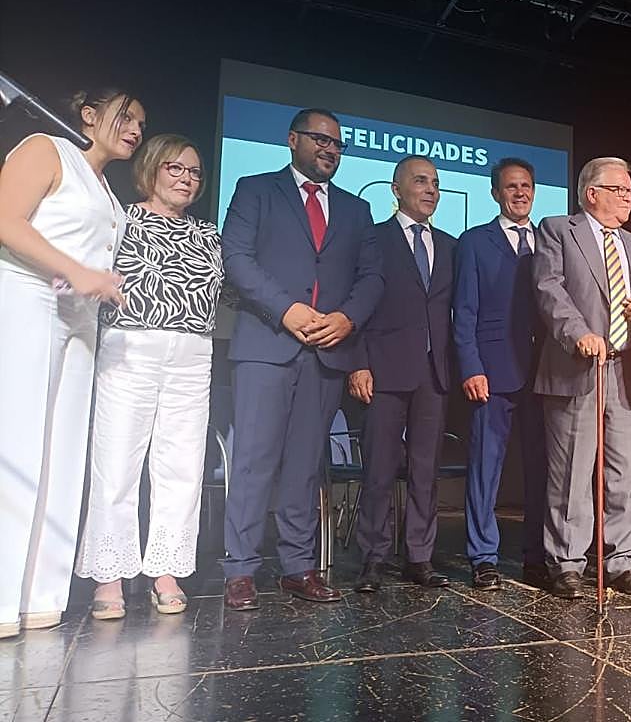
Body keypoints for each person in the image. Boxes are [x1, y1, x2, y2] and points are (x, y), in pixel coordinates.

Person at [221, 107, 383, 611]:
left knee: (305, 467)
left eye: (338, 143)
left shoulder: (357, 210)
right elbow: (236, 258)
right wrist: (286, 310)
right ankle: (241, 570)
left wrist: (347, 319)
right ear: (293, 140)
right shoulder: (255, 189)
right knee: (253, 462)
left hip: (326, 353)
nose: (330, 149)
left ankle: (298, 568)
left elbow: (373, 277)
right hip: (267, 345)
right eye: (320, 139)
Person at [0, 88, 144, 637]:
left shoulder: (107, 189)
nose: (133, 129)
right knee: (17, 445)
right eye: (124, 116)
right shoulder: (46, 149)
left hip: (78, 317)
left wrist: (91, 283)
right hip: (26, 297)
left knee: (63, 455)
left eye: (140, 123)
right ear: (88, 113)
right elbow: (7, 221)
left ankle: (40, 594)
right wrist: (77, 271)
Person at [76, 135, 223, 618]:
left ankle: (166, 570)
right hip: (129, 347)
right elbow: (81, 273)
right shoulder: (121, 218)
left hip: (192, 354)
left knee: (182, 467)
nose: (186, 178)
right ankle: (109, 576)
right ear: (153, 170)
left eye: (194, 172)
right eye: (175, 169)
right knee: (117, 462)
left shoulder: (209, 234)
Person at [533, 156, 631, 599]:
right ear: (593, 193)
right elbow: (548, 289)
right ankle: (567, 563)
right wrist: (578, 334)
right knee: (572, 470)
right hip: (580, 366)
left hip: (627, 371)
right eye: (621, 190)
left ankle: (622, 561)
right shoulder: (558, 229)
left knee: (625, 472)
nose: (629, 197)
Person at [350, 155, 456, 591]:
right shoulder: (372, 239)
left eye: (435, 182)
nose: (430, 189)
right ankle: (372, 558)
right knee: (378, 469)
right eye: (420, 181)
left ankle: (419, 557)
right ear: (396, 190)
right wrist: (358, 362)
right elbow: (355, 302)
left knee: (426, 471)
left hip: (434, 373)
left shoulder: (450, 245)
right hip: (384, 369)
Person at [453, 158, 547, 590]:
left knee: (541, 470)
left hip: (545, 374)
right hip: (491, 372)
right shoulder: (474, 242)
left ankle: (535, 556)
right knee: (485, 469)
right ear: (495, 193)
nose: (520, 192)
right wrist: (471, 366)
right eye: (511, 186)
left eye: (526, 185)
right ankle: (483, 556)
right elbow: (464, 312)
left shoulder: (550, 239)